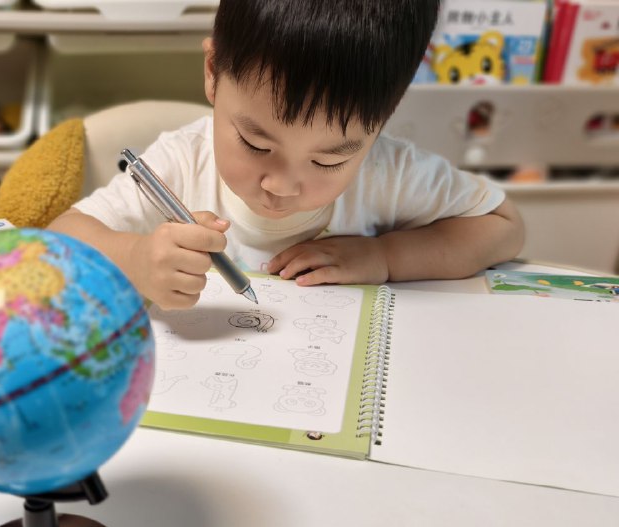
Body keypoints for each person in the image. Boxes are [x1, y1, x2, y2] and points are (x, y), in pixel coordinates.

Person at [48, 0, 524, 310]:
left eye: (328, 161)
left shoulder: (389, 172)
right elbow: (57, 240)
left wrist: (386, 256)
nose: (281, 186)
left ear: (383, 119)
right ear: (213, 71)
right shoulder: (183, 163)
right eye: (256, 145)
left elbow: (503, 227)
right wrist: (134, 258)